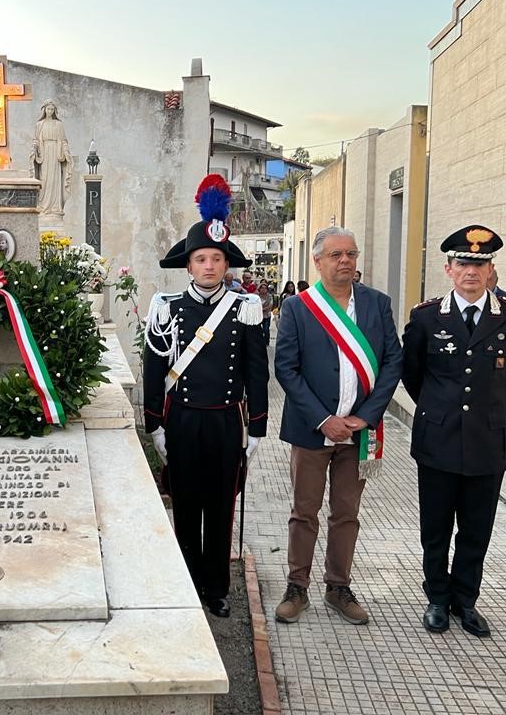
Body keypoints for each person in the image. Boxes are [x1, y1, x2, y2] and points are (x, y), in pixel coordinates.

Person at [144, 174, 268, 619]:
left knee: (220, 507)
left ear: (225, 264)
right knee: (186, 505)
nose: (210, 266)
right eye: (201, 258)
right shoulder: (168, 308)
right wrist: (155, 425)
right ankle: (186, 582)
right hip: (183, 421)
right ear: (189, 265)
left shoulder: (244, 308)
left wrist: (256, 429)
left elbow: (257, 370)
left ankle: (216, 587)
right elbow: (154, 370)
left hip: (225, 422)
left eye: (216, 258)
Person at [402, 225, 506, 637]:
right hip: (438, 438)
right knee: (436, 526)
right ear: (448, 268)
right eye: (463, 263)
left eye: (479, 263)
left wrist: (486, 412)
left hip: (487, 440)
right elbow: (413, 376)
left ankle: (466, 601)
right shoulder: (426, 317)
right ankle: (438, 599)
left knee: (477, 528)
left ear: (491, 268)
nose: (471, 271)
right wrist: (442, 411)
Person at [273, 226, 402, 626]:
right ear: (317, 261)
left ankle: (338, 587)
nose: (345, 261)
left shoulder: (377, 304)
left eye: (351, 254)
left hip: (359, 432)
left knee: (346, 512)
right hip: (313, 431)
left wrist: (365, 417)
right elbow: (286, 369)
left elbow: (393, 362)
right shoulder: (298, 307)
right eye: (336, 255)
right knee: (304, 511)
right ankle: (297, 586)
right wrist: (324, 420)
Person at [28, 100, 72, 215]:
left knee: (55, 179)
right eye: (48, 109)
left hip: (56, 154)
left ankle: (55, 207)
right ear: (44, 110)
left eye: (52, 109)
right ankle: (43, 206)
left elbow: (63, 141)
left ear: (54, 111)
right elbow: (36, 140)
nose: (50, 111)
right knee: (44, 179)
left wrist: (66, 152)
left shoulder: (59, 124)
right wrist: (34, 149)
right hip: (44, 153)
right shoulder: (39, 124)